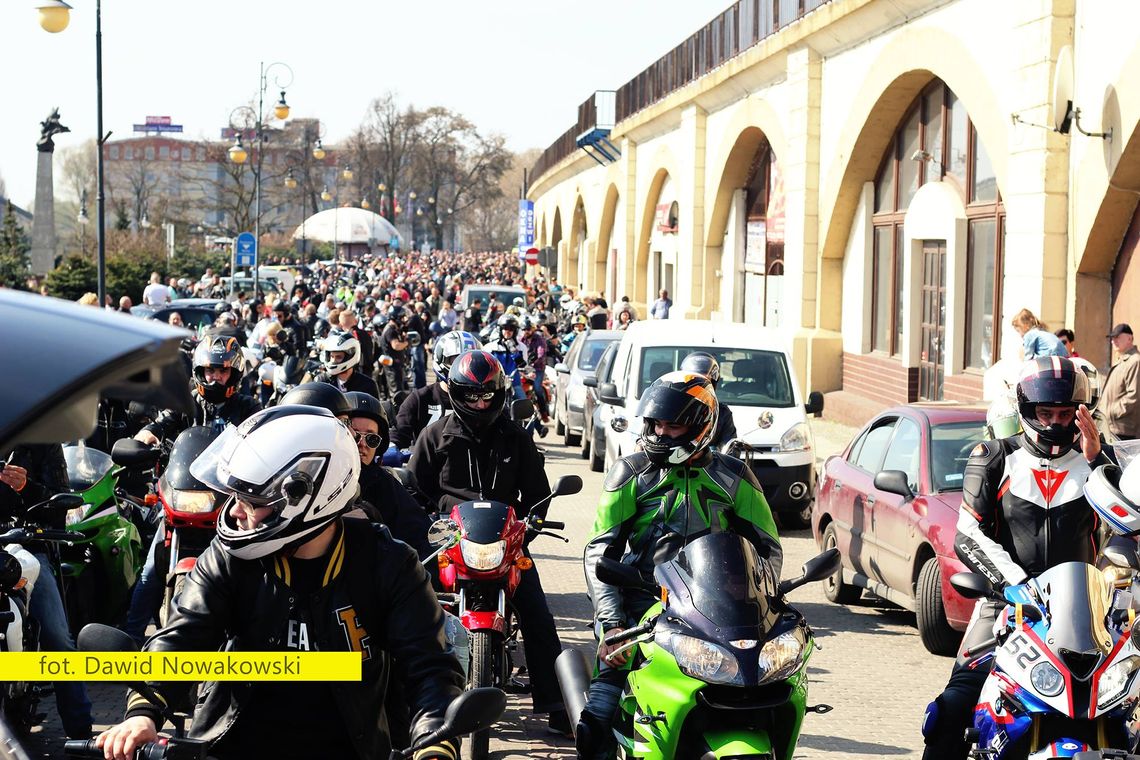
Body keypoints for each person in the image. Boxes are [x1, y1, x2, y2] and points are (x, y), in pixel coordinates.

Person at [95, 405, 465, 760]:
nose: (236, 512)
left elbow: (429, 668)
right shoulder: (230, 555)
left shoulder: (388, 564)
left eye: (253, 500)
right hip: (231, 747)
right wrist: (144, 713)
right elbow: (185, 633)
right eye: (236, 496)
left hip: (352, 749)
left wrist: (433, 745)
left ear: (310, 498)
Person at [576, 371, 782, 756]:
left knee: (768, 691)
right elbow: (598, 552)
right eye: (655, 424)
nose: (660, 434)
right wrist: (611, 623)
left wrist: (765, 602)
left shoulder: (734, 476)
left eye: (673, 426)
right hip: (642, 607)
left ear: (702, 427)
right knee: (596, 722)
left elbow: (767, 548)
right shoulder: (631, 472)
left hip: (715, 609)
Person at [920, 357, 1104, 760]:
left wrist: (1098, 460)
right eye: (1046, 412)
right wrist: (1017, 586)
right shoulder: (995, 457)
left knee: (1124, 705)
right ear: (1026, 410)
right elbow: (968, 533)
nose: (1056, 422)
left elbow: (1128, 526)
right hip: (1007, 605)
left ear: (1081, 414)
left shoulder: (1096, 467)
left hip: (1085, 615)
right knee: (951, 709)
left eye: (1066, 412)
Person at [408, 350, 571, 736]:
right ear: (457, 395)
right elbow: (414, 491)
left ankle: (557, 705)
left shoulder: (517, 438)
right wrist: (427, 525)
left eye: (487, 396)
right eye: (472, 397)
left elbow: (537, 495)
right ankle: (415, 703)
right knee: (415, 611)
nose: (480, 404)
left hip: (506, 542)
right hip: (451, 541)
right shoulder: (435, 436)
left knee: (537, 614)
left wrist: (533, 525)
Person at [1, 445, 94, 739]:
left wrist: (26, 486)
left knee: (57, 636)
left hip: (25, 547)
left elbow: (62, 505)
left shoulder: (42, 437)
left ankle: (80, 734)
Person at [345, 392, 433, 558]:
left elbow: (418, 536)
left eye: (371, 439)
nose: (362, 444)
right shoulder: (315, 480)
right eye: (354, 435)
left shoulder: (385, 484)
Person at [391, 331, 481, 449]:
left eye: (469, 361)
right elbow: (398, 434)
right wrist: (391, 448)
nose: (463, 368)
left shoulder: (483, 399)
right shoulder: (420, 398)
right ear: (440, 360)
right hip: (428, 464)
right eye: (455, 361)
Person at [679, 352, 737, 448]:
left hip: (707, 462)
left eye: (706, 383)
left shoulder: (722, 412)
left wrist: (723, 459)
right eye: (695, 383)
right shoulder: (672, 406)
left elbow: (729, 447)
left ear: (713, 385)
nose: (701, 388)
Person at [1101, 322, 1140, 441]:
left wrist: (1112, 413)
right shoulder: (1123, 361)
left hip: (1124, 430)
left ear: (1129, 338)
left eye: (1117, 337)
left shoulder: (1135, 361)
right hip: (1113, 427)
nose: (1113, 341)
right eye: (1112, 338)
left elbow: (1134, 396)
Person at [313, 331, 381, 398]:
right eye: (331, 356)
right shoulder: (321, 382)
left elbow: (375, 408)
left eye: (338, 357)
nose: (333, 361)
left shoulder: (367, 385)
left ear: (351, 356)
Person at [520, 316, 551, 423]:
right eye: (524, 329)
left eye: (528, 329)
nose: (526, 332)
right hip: (523, 369)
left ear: (533, 329)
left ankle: (544, 413)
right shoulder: (520, 340)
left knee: (538, 389)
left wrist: (533, 363)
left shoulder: (540, 339)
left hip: (537, 368)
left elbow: (541, 354)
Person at [379, 305, 411, 397]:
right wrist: (407, 342)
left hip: (395, 364)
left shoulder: (393, 329)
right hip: (392, 367)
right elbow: (396, 346)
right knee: (397, 392)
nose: (403, 320)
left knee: (401, 389)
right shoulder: (390, 330)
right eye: (402, 317)